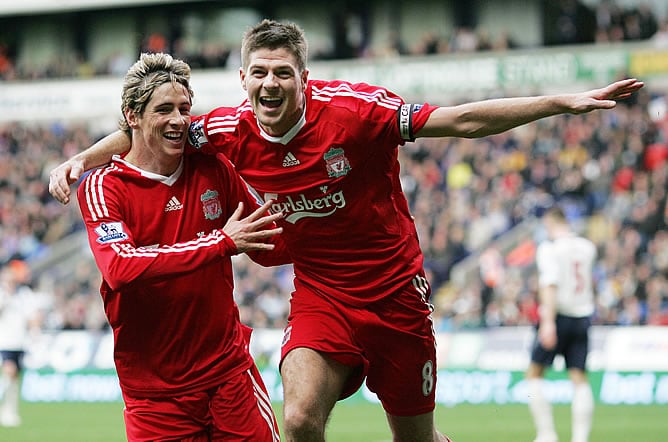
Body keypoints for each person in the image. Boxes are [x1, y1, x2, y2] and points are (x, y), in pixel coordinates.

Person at [48, 19, 643, 442]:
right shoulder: (226, 129)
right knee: (301, 415)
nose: (269, 84)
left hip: (395, 294)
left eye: (283, 72)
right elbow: (148, 129)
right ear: (243, 80)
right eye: (258, 73)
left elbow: (462, 120)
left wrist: (563, 103)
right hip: (323, 294)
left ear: (304, 79)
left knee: (415, 436)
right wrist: (84, 158)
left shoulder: (359, 112)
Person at [75, 52, 289, 441]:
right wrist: (221, 242)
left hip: (228, 374)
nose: (178, 119)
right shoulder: (104, 186)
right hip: (155, 394)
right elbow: (120, 269)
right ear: (132, 116)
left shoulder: (213, 167)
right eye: (164, 109)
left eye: (184, 108)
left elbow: (267, 243)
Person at [526, 207, 597, 442]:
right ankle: (580, 438)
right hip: (582, 316)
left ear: (550, 223)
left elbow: (550, 283)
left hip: (558, 316)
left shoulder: (550, 249)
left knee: (534, 373)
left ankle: (547, 435)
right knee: (579, 376)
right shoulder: (587, 248)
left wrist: (547, 322)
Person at [0, 261, 43, 427]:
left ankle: (10, 411)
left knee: (15, 378)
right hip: (5, 341)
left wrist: (35, 332)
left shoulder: (24, 294)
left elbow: (32, 316)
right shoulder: (3, 293)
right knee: (9, 372)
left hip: (20, 341)